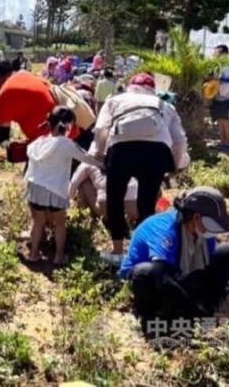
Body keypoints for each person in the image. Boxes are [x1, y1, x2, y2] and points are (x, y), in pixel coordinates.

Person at [120, 187, 229, 337]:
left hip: (181, 276)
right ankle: (180, 316)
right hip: (154, 282)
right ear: (196, 217)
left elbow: (205, 264)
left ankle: (206, 304)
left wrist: (226, 292)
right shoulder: (166, 230)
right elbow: (164, 279)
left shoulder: (202, 232)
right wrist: (200, 313)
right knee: (147, 272)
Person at [93, 73, 188, 265]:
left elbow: (101, 129)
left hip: (121, 150)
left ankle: (118, 251)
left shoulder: (115, 100)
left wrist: (101, 155)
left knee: (115, 201)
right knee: (146, 205)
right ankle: (143, 253)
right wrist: (174, 167)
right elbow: (180, 140)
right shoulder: (164, 105)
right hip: (155, 154)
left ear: (130, 87)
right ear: (152, 89)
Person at [25, 107, 102, 265]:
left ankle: (33, 254)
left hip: (35, 187)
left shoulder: (38, 143)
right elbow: (87, 158)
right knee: (59, 223)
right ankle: (59, 256)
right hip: (56, 189)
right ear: (68, 125)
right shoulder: (67, 144)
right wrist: (104, 164)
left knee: (38, 222)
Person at [0, 60, 58, 162]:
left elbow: (2, 135)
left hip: (48, 143)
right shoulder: (26, 76)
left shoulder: (4, 95)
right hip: (65, 131)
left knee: (33, 176)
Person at [71, 161, 138, 224]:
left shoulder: (87, 163)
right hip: (135, 207)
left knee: (84, 183)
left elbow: (73, 184)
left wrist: (71, 198)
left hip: (108, 211)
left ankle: (83, 214)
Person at [210, 45, 229, 152]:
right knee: (220, 121)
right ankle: (222, 141)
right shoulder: (215, 67)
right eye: (214, 54)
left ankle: (227, 143)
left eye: (217, 54)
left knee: (227, 122)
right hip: (218, 98)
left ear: (225, 54)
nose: (215, 56)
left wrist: (221, 80)